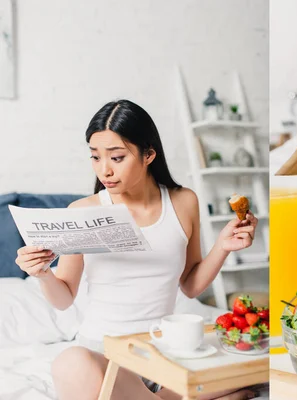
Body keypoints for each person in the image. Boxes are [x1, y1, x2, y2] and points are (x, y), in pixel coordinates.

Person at [15, 100, 260, 400]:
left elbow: (191, 285)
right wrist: (42, 274)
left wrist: (222, 247)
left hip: (163, 355)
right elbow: (64, 298)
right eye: (95, 157)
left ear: (149, 154)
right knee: (69, 363)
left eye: (117, 157)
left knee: (253, 361)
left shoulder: (184, 202)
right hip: (103, 356)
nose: (104, 170)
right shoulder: (81, 211)